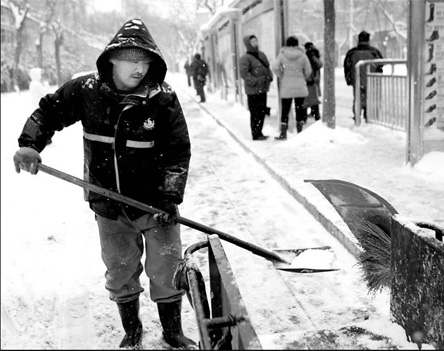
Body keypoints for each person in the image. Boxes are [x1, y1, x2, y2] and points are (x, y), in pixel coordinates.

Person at [13, 18, 196, 350]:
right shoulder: (86, 91)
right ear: (111, 60)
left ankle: (172, 331)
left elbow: (178, 150)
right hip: (107, 204)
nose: (139, 69)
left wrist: (170, 197)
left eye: (145, 61)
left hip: (155, 205)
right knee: (120, 270)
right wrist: (30, 143)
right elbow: (49, 112)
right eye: (131, 61)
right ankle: (132, 330)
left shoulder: (162, 98)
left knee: (166, 266)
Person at [271, 36, 312, 140]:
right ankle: (300, 132)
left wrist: (282, 75)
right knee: (300, 109)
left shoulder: (282, 54)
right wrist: (302, 77)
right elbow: (308, 70)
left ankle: (283, 133)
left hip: (286, 85)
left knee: (285, 110)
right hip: (299, 85)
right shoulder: (302, 55)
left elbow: (275, 67)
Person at [344, 30, 383, 122]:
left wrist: (349, 79)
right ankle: (368, 115)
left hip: (356, 79)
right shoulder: (374, 52)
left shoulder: (352, 52)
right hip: (371, 79)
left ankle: (357, 116)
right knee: (369, 98)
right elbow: (381, 64)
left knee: (358, 98)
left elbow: (347, 66)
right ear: (368, 40)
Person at [239, 34, 273, 140]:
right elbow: (244, 73)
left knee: (262, 111)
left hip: (263, 89)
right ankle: (255, 134)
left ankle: (260, 132)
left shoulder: (261, 54)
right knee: (255, 113)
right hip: (253, 91)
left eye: (255, 41)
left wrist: (269, 77)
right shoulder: (245, 58)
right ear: (248, 44)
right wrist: (255, 81)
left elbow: (267, 67)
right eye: (252, 42)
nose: (255, 43)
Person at [29, 67, 53, 145]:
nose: (40, 76)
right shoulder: (36, 84)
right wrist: (46, 85)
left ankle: (43, 140)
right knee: (44, 124)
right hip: (40, 106)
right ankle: (46, 141)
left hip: (37, 105)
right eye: (39, 74)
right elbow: (45, 93)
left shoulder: (33, 83)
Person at [302, 42, 322, 121]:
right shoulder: (315, 53)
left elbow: (317, 65)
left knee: (308, 100)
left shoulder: (310, 55)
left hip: (310, 80)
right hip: (314, 80)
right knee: (313, 100)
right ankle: (315, 115)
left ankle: (307, 117)